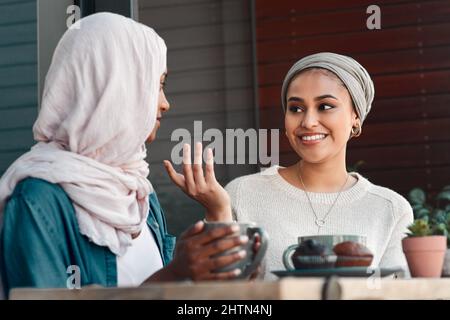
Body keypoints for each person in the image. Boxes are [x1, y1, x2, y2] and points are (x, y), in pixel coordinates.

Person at [0, 13, 248, 296]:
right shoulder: (37, 201)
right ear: (111, 88)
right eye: (155, 85)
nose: (165, 103)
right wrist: (175, 273)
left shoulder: (139, 194)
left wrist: (219, 213)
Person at [224, 52, 414, 279]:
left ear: (356, 116)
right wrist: (217, 211)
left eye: (324, 106)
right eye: (296, 108)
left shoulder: (390, 209)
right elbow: (216, 294)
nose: (308, 122)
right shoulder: (243, 194)